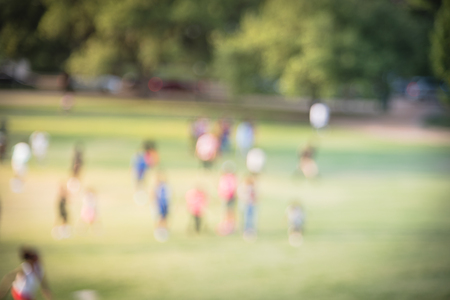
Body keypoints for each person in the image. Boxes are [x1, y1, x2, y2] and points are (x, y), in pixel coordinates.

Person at [217, 162, 238, 236]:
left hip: (230, 197)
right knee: (227, 212)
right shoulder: (227, 177)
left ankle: (230, 226)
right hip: (226, 197)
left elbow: (233, 188)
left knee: (229, 212)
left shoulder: (230, 178)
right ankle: (226, 226)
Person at [153, 173, 170, 242]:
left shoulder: (165, 186)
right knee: (159, 218)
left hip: (165, 204)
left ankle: (164, 231)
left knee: (164, 219)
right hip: (160, 204)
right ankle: (158, 231)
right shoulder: (158, 187)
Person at [241, 175, 257, 240]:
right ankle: (246, 231)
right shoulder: (244, 187)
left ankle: (251, 231)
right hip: (246, 205)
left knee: (251, 219)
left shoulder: (253, 187)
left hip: (251, 205)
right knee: (246, 219)